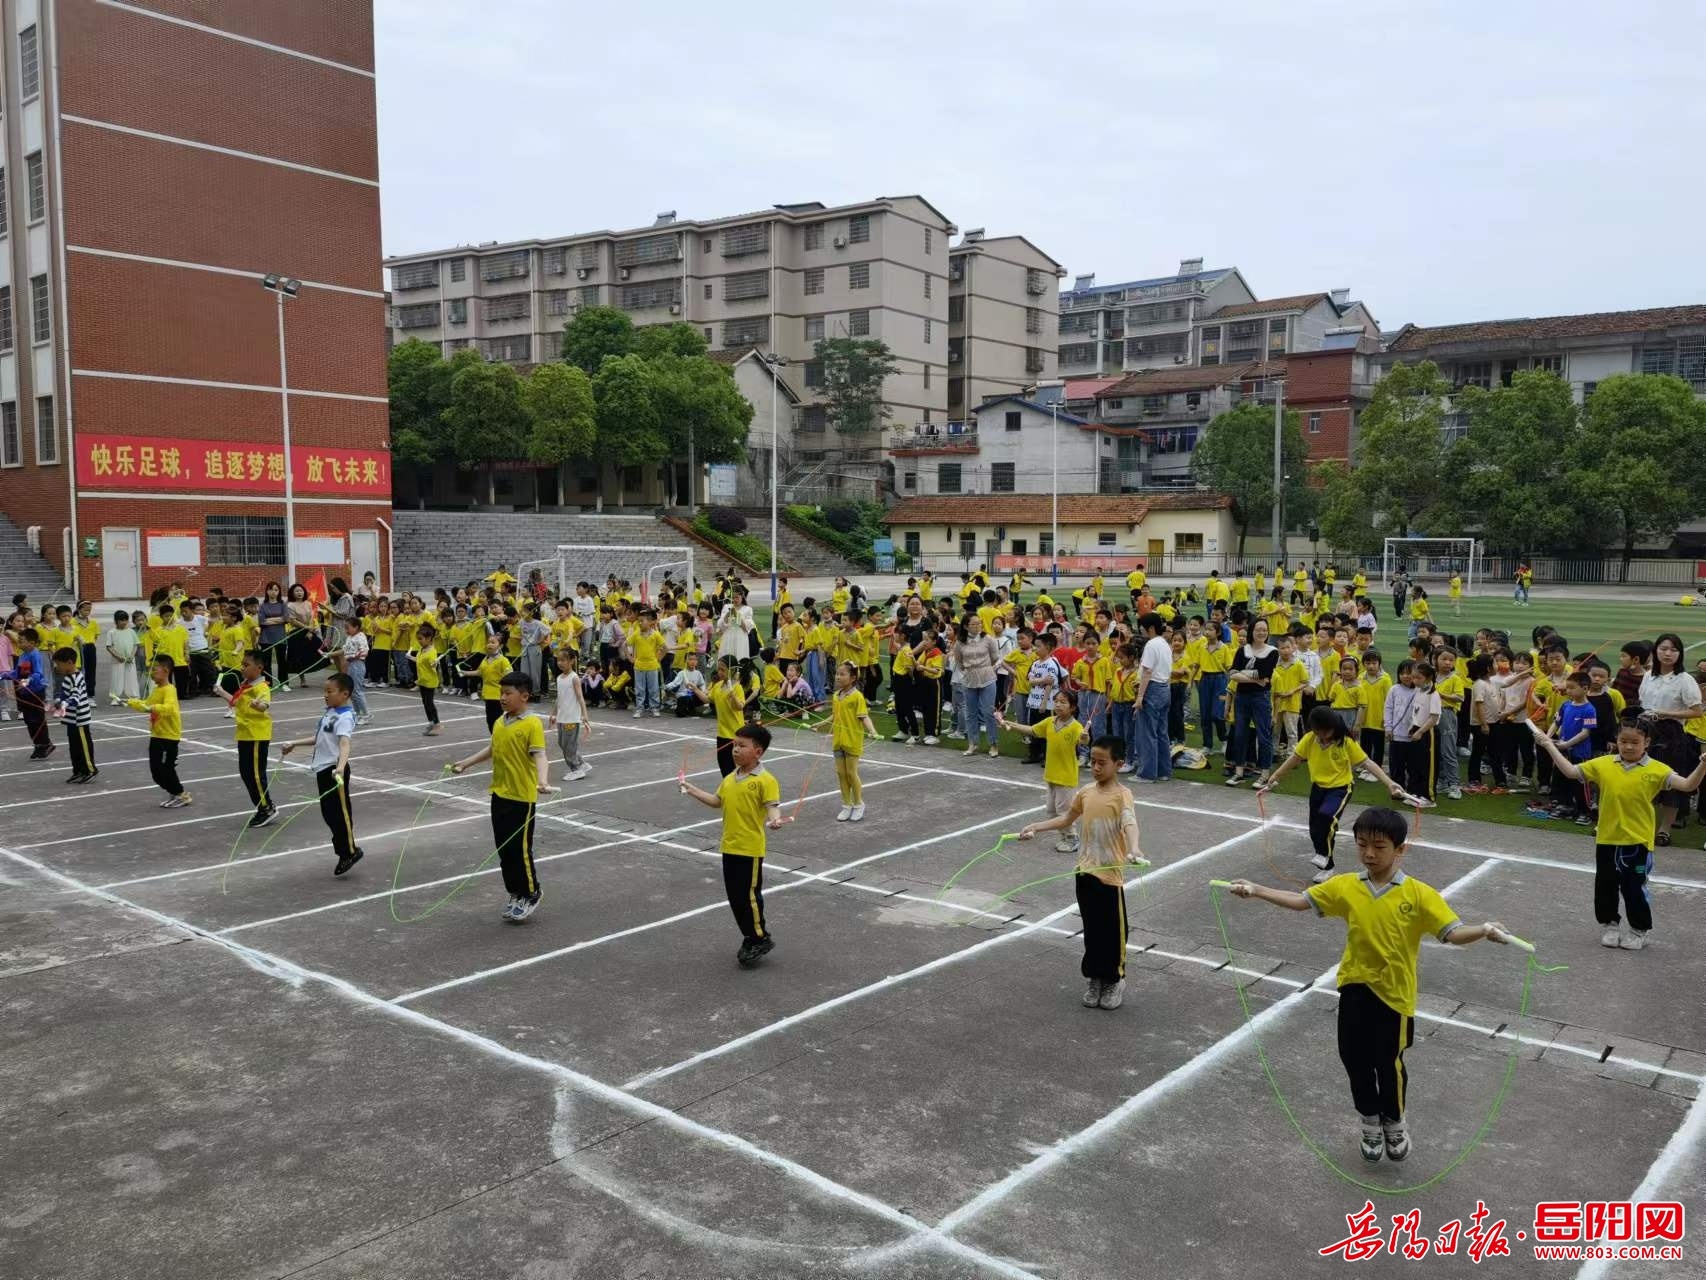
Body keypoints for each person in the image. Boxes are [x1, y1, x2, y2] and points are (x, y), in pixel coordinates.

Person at [1225, 807, 1513, 1162]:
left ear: (1400, 849)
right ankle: (1369, 1121)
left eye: (1379, 846)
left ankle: (1394, 1121)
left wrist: (1484, 931)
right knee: (1353, 1058)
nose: (1369, 854)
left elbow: (1452, 934)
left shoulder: (1420, 895)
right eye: (1362, 845)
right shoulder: (1347, 886)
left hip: (1395, 995)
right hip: (1355, 986)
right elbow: (1303, 901)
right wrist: (1256, 890)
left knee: (1388, 1062)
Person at [1535, 715, 1706, 950]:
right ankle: (1610, 925)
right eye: (1623, 741)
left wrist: (1703, 764)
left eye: (1634, 742)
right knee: (1605, 885)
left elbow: (1688, 785)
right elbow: (1572, 772)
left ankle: (1639, 930)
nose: (1628, 746)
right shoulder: (1604, 764)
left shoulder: (1657, 770)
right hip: (1607, 838)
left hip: (1638, 842)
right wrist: (1547, 745)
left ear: (1646, 742)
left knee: (1634, 888)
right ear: (1617, 739)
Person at [1018, 734, 1148, 1010]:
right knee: (1092, 931)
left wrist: (1135, 848)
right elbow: (1067, 819)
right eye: (1093, 761)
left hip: (1109, 878)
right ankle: (1094, 978)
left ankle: (1114, 980)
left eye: (1102, 763)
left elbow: (1130, 823)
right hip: (1085, 873)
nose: (1096, 767)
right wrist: (1036, 826)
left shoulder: (1122, 795)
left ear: (1119, 764)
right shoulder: (1086, 793)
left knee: (1113, 933)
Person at [1257, 706, 1408, 882]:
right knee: (1315, 828)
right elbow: (1294, 759)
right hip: (1318, 788)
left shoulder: (1346, 743)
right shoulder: (1309, 740)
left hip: (1340, 788)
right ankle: (1327, 867)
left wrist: (1389, 783)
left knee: (1326, 819)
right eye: (1318, 731)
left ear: (1334, 726)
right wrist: (1274, 777)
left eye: (1325, 731)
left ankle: (1324, 856)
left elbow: (1367, 763)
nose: (1322, 735)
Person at [451, 671, 555, 922]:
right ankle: (515, 892)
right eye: (501, 693)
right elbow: (492, 748)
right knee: (504, 849)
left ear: (525, 696)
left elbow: (540, 755)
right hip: (499, 793)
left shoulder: (531, 724)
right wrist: (466, 763)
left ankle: (531, 892)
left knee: (521, 850)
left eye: (508, 693)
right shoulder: (500, 721)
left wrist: (542, 780)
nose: (503, 698)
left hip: (522, 798)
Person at [681, 723, 784, 967]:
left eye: (742, 746)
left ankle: (759, 937)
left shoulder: (765, 780)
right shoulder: (730, 778)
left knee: (749, 897)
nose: (735, 750)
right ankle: (750, 935)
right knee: (735, 897)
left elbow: (772, 806)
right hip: (729, 846)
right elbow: (717, 802)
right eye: (734, 745)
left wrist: (775, 819)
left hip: (750, 849)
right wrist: (693, 789)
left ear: (758, 752)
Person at [280, 673, 363, 876]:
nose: (325, 695)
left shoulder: (345, 717)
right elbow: (318, 738)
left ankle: (350, 851)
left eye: (329, 691)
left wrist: (341, 767)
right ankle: (345, 850)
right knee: (329, 814)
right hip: (323, 769)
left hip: (335, 770)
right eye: (324, 691)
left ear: (344, 694)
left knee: (340, 814)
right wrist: (294, 744)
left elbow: (344, 744)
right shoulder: (330, 712)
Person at [999, 690, 1085, 852]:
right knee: (1052, 811)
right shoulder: (1050, 722)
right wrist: (1010, 724)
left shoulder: (1076, 727)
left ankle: (1072, 838)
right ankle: (1065, 836)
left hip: (1066, 777)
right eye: (1057, 701)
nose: (1058, 705)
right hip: (1051, 775)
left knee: (1064, 811)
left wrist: (1085, 738)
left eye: (1063, 702)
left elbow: (1083, 740)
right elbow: (1032, 730)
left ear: (1072, 707)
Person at [1637, 633, 1701, 847]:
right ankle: (1641, 823)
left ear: (1679, 654)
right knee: (1642, 778)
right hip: (1645, 731)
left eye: (1673, 649)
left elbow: (1696, 712)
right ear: (1655, 650)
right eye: (1663, 648)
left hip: (1671, 734)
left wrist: (1666, 714)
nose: (1668, 653)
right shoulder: (1648, 676)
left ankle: (1665, 830)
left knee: (1670, 781)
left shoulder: (1684, 680)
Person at [127, 655, 187, 806]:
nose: (151, 672)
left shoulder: (170, 689)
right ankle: (174, 793)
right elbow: (147, 704)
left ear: (166, 670)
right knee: (156, 771)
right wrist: (132, 702)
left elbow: (169, 708)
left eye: (154, 669)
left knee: (166, 769)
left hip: (169, 737)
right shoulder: (157, 690)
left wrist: (152, 707)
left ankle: (181, 794)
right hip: (157, 734)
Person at [1225, 618, 1278, 787]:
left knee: (1264, 736)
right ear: (1252, 632)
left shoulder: (1272, 651)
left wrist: (1244, 674)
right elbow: (1232, 674)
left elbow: (1265, 673)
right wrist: (1255, 678)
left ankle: (1264, 774)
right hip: (1242, 698)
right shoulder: (1242, 650)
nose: (1262, 633)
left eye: (1265, 630)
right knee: (1240, 734)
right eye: (1258, 630)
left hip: (1260, 698)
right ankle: (1239, 772)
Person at [229, 649, 276, 827]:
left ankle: (266, 808)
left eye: (246, 665)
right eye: (242, 664)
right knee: (245, 772)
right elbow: (234, 702)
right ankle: (262, 806)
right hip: (245, 734)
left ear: (259, 667)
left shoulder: (261, 687)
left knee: (256, 774)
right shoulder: (245, 686)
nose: (242, 668)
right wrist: (220, 692)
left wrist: (259, 704)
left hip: (257, 735)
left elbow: (264, 705)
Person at [829, 661, 879, 822]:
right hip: (838, 740)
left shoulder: (857, 696)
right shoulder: (837, 696)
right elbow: (835, 716)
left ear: (852, 678)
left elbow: (863, 716)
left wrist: (872, 731)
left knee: (851, 773)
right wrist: (819, 724)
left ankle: (858, 804)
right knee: (841, 774)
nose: (838, 676)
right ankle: (846, 805)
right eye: (837, 673)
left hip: (852, 741)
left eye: (842, 674)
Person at [954, 614, 1002, 759]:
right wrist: (968, 672)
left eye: (979, 624)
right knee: (970, 713)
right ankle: (973, 743)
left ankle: (993, 743)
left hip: (987, 677)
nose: (977, 627)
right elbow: (959, 662)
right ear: (966, 626)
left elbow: (995, 657)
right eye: (973, 624)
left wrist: (987, 669)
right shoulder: (960, 642)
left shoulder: (988, 639)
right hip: (969, 680)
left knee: (988, 712)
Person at [1133, 613, 1172, 781]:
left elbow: (1147, 672)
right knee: (1162, 732)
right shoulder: (1165, 644)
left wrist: (1140, 697)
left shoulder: (1151, 645)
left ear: (1150, 628)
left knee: (1147, 732)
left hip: (1153, 689)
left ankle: (1147, 772)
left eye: (1142, 627)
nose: (1140, 630)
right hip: (1164, 689)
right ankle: (1164, 771)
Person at [51, 647, 97, 784]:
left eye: (59, 664)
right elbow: (65, 695)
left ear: (70, 662)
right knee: (74, 747)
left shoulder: (76, 678)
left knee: (84, 746)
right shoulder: (67, 678)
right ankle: (78, 770)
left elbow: (75, 698)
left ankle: (90, 769)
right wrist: (58, 701)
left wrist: (64, 704)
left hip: (80, 720)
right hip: (71, 720)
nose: (57, 667)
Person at [8, 626, 53, 758]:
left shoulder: (35, 655)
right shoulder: (22, 656)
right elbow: (17, 672)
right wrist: (3, 675)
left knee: (38, 720)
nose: (19, 643)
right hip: (25, 692)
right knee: (29, 720)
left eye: (22, 641)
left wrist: (28, 680)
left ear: (32, 643)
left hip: (35, 692)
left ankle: (45, 744)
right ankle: (38, 745)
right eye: (19, 641)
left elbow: (38, 673)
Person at [710, 656, 749, 777]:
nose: (719, 672)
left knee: (737, 769)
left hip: (735, 735)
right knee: (725, 769)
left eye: (723, 670)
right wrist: (695, 688)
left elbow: (739, 707)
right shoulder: (717, 686)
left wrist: (733, 696)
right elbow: (708, 699)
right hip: (722, 734)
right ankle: (730, 792)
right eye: (718, 669)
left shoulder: (737, 687)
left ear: (731, 670)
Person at [104, 609, 140, 707]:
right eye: (121, 620)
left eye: (125, 620)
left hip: (129, 660)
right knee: (116, 678)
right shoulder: (111, 632)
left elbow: (135, 645)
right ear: (116, 621)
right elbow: (109, 647)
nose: (124, 622)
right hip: (117, 661)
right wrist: (118, 656)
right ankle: (115, 697)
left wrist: (132, 655)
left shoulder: (131, 631)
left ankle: (133, 696)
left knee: (131, 678)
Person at [415, 622, 443, 736]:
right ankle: (431, 722)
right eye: (418, 639)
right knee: (425, 703)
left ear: (429, 638)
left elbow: (432, 663)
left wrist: (434, 663)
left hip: (430, 681)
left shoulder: (432, 651)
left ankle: (437, 724)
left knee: (429, 703)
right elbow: (419, 660)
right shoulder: (421, 649)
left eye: (421, 639)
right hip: (422, 680)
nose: (419, 641)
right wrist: (410, 657)